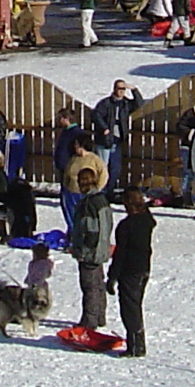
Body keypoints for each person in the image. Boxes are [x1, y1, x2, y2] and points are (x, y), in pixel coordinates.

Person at [108, 189, 154, 358]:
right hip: (144, 268)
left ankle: (135, 346)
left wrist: (112, 276)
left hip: (129, 270)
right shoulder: (146, 220)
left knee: (130, 309)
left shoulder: (126, 226)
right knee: (136, 306)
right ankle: (138, 343)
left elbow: (120, 254)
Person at [67, 184, 111, 334]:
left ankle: (89, 321)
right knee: (98, 284)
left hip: (90, 253)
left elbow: (89, 229)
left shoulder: (88, 204)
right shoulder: (102, 200)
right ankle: (100, 316)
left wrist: (83, 249)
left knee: (89, 286)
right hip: (101, 250)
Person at [87, 79, 138, 188]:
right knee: (102, 167)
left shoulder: (125, 103)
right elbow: (96, 115)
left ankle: (110, 189)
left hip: (117, 140)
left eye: (123, 89)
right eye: (119, 88)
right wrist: (104, 128)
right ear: (114, 89)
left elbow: (138, 104)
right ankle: (101, 189)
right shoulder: (106, 103)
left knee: (116, 167)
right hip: (104, 140)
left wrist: (134, 89)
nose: (121, 91)